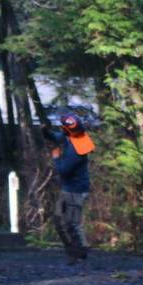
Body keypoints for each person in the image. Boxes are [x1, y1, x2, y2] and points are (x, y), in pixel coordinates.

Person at [49, 113, 95, 263]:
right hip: (70, 188)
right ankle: (74, 251)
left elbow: (63, 170)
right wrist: (46, 132)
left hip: (75, 190)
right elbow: (58, 136)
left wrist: (56, 157)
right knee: (60, 220)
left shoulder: (77, 149)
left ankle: (80, 253)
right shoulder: (74, 135)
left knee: (72, 223)